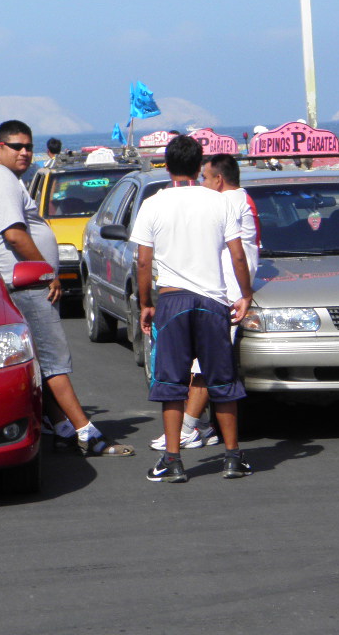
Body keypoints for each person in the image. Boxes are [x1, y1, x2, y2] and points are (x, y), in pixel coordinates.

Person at [0, 119, 133, 457]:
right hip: (28, 285)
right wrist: (48, 273)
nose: (24, 152)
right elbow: (14, 235)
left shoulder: (7, 181)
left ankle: (62, 427)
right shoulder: (2, 182)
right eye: (16, 146)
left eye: (28, 146)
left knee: (42, 365)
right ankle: (85, 432)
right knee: (54, 362)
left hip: (24, 285)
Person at [131, 135, 253, 483]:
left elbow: (143, 261)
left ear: (166, 166)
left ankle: (173, 459)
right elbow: (238, 253)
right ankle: (232, 456)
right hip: (213, 301)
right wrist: (245, 294)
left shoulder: (154, 203)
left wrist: (145, 303)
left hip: (172, 300)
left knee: (171, 381)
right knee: (222, 380)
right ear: (200, 165)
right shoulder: (219, 202)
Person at [150, 152, 260, 452]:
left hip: (221, 296)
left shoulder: (229, 202)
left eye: (205, 179)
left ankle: (187, 429)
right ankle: (207, 434)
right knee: (206, 369)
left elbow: (238, 254)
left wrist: (244, 294)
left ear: (218, 179)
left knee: (206, 371)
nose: (201, 184)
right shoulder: (231, 201)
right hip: (218, 293)